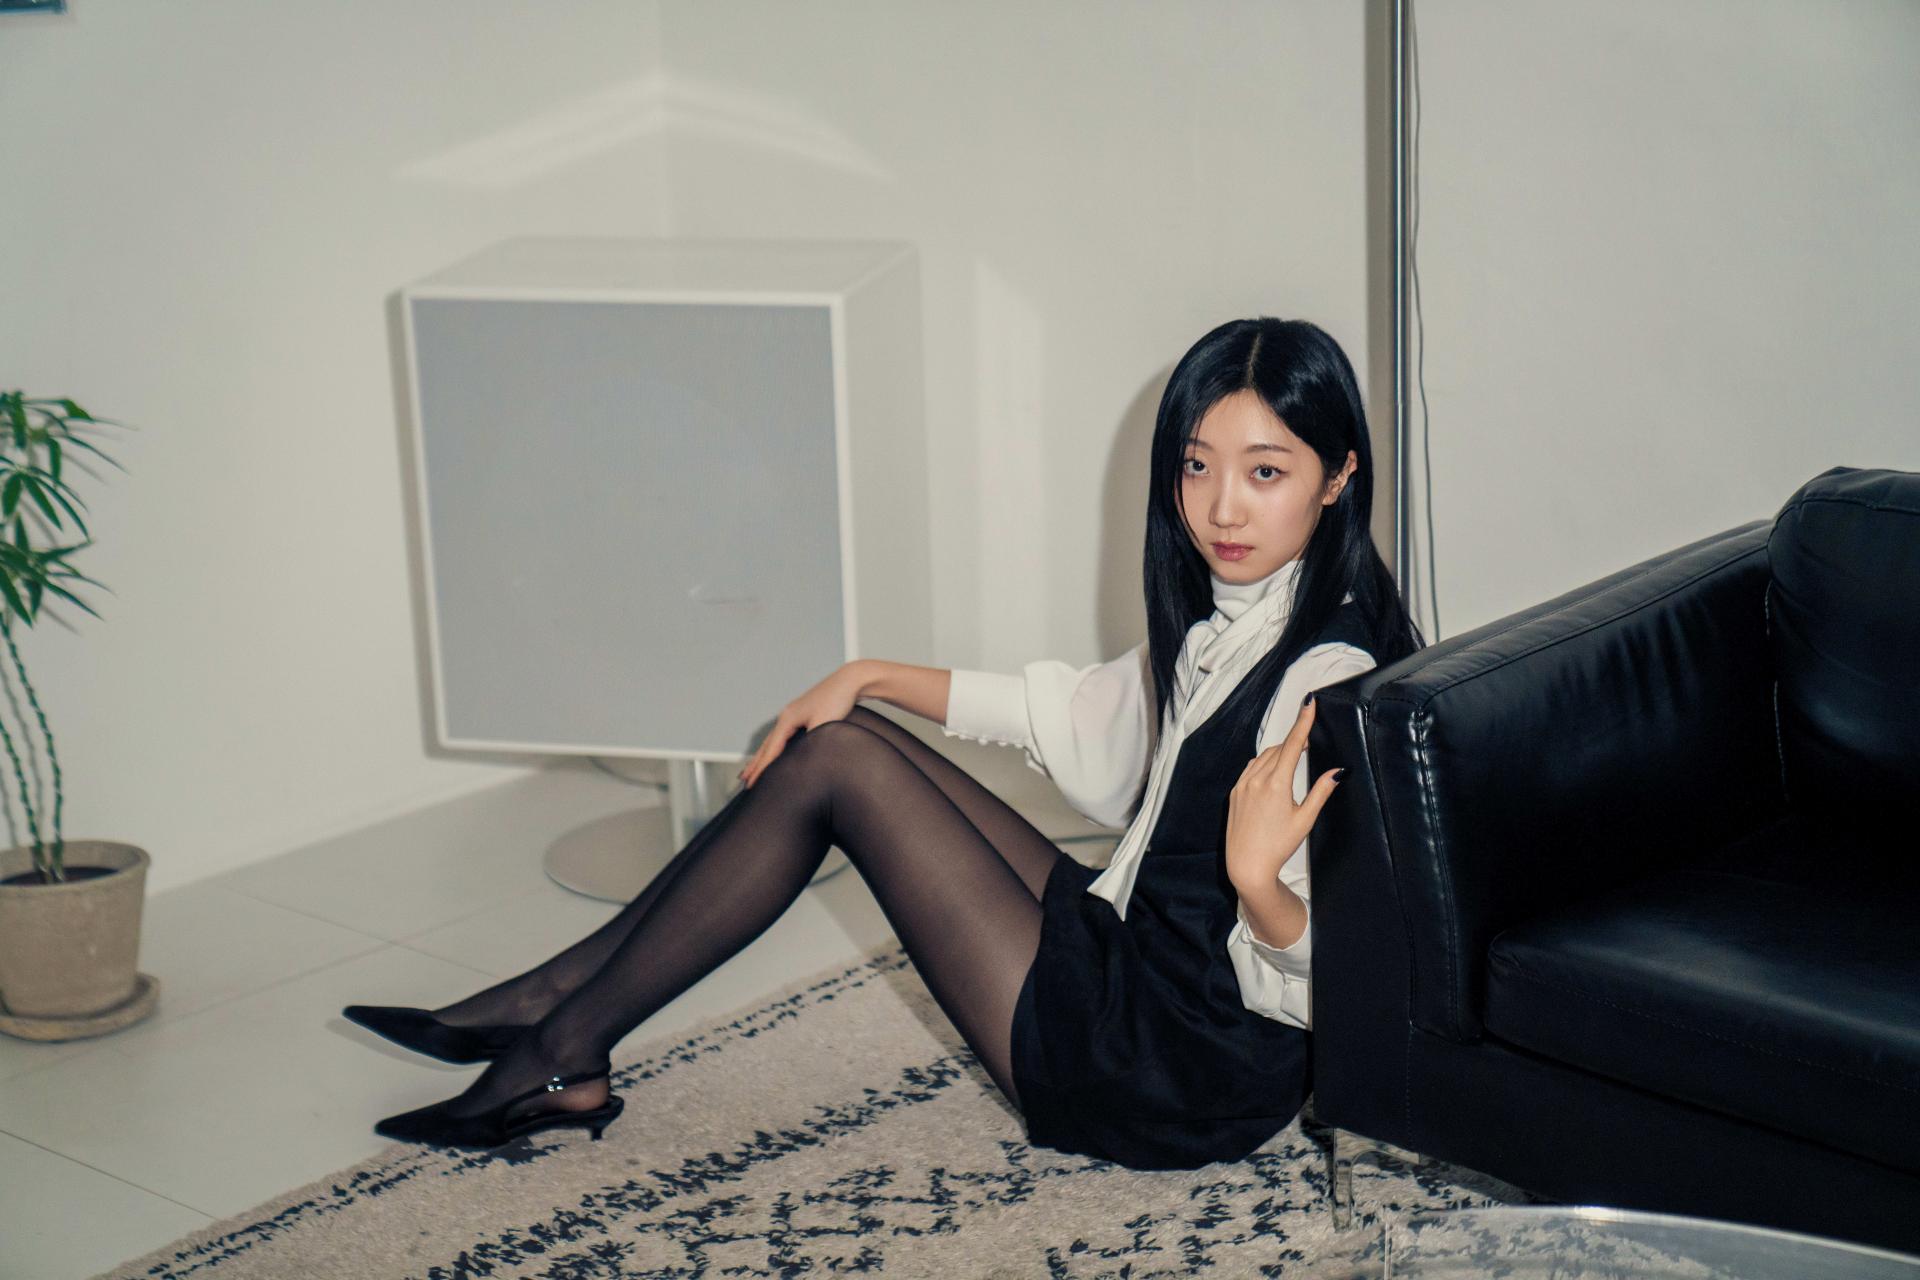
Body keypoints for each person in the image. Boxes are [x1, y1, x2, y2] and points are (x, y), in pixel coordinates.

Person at [344, 316, 1423, 1165]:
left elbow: (1344, 975)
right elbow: (1080, 718)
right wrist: (870, 673)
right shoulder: (1249, 615)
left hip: (1173, 1068)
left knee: (836, 763)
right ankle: (554, 1013)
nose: (1221, 508)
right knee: (851, 731)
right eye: (1196, 466)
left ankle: (557, 1041)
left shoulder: (1322, 681)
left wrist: (1260, 887)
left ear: (1338, 476)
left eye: (1266, 472)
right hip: (1137, 956)